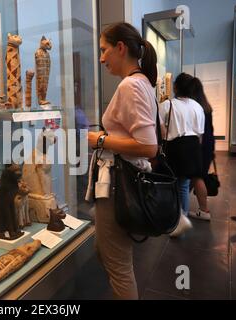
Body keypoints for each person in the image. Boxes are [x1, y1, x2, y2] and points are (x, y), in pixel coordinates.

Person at [87, 22, 159, 300]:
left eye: (104, 50)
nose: (101, 58)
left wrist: (100, 140)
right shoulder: (141, 83)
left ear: (120, 48)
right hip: (119, 182)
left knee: (118, 265)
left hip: (119, 183)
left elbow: (148, 145)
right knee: (108, 253)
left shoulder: (131, 85)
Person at [159, 73, 205, 217]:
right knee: (184, 185)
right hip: (194, 146)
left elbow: (160, 128)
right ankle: (181, 215)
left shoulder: (168, 104)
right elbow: (200, 133)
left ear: (175, 87)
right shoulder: (197, 106)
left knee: (174, 183)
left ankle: (179, 218)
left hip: (176, 147)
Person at [188, 77, 215, 220]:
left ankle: (204, 210)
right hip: (208, 146)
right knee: (197, 177)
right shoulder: (206, 107)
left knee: (197, 178)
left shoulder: (195, 108)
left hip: (199, 147)